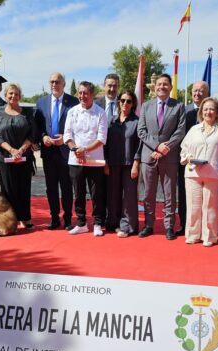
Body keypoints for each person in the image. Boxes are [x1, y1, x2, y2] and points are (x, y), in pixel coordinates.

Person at [136, 73, 186, 240]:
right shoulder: (146, 106)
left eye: (165, 84)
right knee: (148, 193)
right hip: (148, 156)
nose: (162, 87)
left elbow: (180, 131)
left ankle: (169, 226)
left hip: (169, 157)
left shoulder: (178, 106)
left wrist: (166, 147)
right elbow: (141, 131)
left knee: (169, 193)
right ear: (154, 87)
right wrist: (157, 146)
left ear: (171, 87)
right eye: (159, 84)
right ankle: (148, 225)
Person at [34, 73, 79, 230]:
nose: (54, 84)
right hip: (48, 152)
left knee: (66, 187)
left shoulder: (73, 102)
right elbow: (37, 127)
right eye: (52, 81)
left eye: (57, 82)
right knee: (51, 188)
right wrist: (42, 137)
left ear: (64, 84)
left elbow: (77, 127)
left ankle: (67, 219)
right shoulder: (41, 103)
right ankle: (54, 218)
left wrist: (66, 138)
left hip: (66, 152)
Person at [179, 97, 218, 246]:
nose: (208, 112)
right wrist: (187, 157)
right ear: (201, 112)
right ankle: (193, 234)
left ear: (217, 112)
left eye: (212, 109)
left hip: (214, 174)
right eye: (205, 109)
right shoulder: (194, 129)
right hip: (193, 173)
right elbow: (184, 148)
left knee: (210, 208)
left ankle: (209, 236)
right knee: (193, 206)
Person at [64, 81, 108, 236]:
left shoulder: (101, 113)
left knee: (97, 193)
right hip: (75, 159)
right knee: (79, 192)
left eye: (85, 93)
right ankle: (81, 223)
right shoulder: (72, 111)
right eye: (80, 93)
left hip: (95, 160)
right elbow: (67, 135)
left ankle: (97, 223)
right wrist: (76, 150)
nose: (82, 96)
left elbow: (102, 138)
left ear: (92, 95)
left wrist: (86, 150)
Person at [0, 83, 37, 229]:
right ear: (5, 96)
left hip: (24, 157)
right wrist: (11, 150)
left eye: (16, 94)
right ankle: (11, 220)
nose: (13, 96)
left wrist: (21, 150)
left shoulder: (28, 113)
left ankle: (25, 218)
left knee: (24, 188)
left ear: (20, 96)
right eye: (10, 94)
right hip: (4, 158)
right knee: (8, 190)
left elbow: (32, 133)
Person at [105, 90, 141, 237]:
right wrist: (106, 163)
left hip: (129, 164)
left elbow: (140, 145)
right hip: (113, 164)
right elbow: (105, 144)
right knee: (113, 195)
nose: (125, 103)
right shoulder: (111, 121)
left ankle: (127, 226)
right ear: (118, 102)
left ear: (133, 104)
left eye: (129, 101)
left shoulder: (137, 122)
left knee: (129, 196)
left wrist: (136, 164)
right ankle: (113, 223)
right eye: (123, 100)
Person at [178, 80, 210, 235]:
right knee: (185, 195)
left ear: (207, 93)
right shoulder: (183, 110)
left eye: (201, 91)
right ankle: (185, 226)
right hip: (186, 161)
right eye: (195, 91)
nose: (197, 93)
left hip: (208, 163)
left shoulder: (214, 111)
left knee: (206, 197)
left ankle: (204, 228)